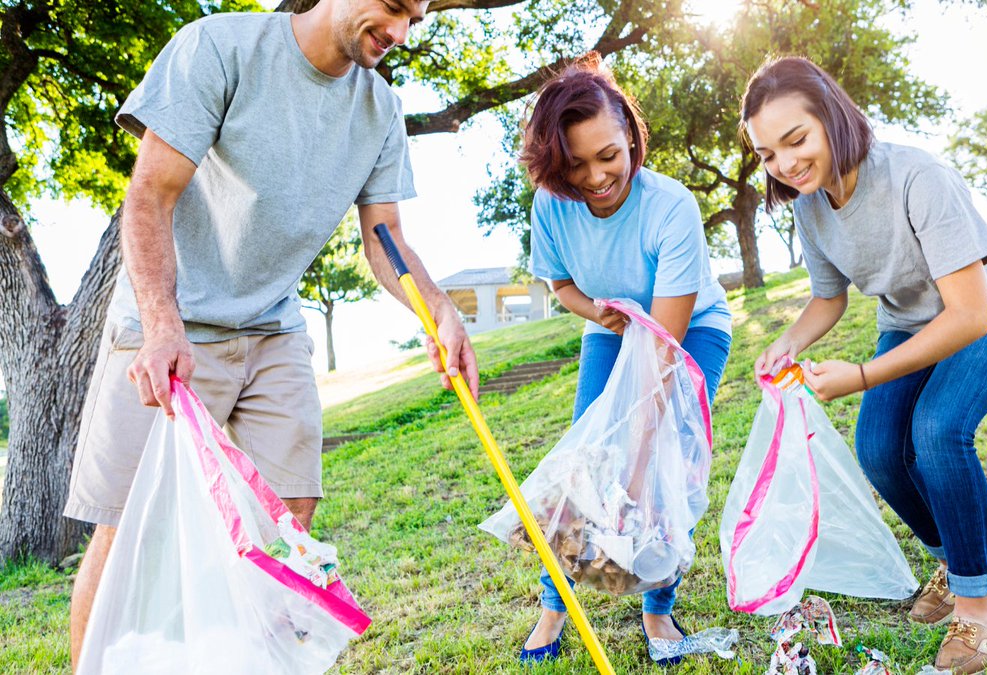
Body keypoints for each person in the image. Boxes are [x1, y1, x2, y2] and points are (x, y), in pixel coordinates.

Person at [64, 1, 478, 669]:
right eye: (395, 7)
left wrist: (439, 309)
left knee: (285, 525)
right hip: (169, 320)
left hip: (271, 327)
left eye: (417, 20)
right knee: (128, 534)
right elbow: (150, 194)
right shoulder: (220, 48)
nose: (401, 33)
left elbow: (385, 237)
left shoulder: (379, 110)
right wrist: (163, 323)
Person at [743, 57, 987, 674]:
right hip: (909, 323)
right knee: (879, 449)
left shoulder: (916, 175)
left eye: (795, 139)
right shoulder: (810, 205)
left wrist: (859, 376)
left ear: (830, 115)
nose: (786, 164)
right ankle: (956, 562)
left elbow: (969, 317)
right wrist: (788, 343)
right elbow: (829, 298)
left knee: (936, 432)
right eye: (768, 154)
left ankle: (979, 611)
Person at [517, 54, 733, 665]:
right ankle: (554, 607)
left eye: (608, 155)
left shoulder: (671, 207)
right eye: (575, 163)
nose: (594, 177)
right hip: (613, 332)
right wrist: (596, 313)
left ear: (632, 136)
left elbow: (663, 352)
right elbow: (561, 285)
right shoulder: (551, 205)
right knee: (585, 463)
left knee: (664, 460)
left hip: (687, 332)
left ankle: (658, 611)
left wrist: (637, 472)